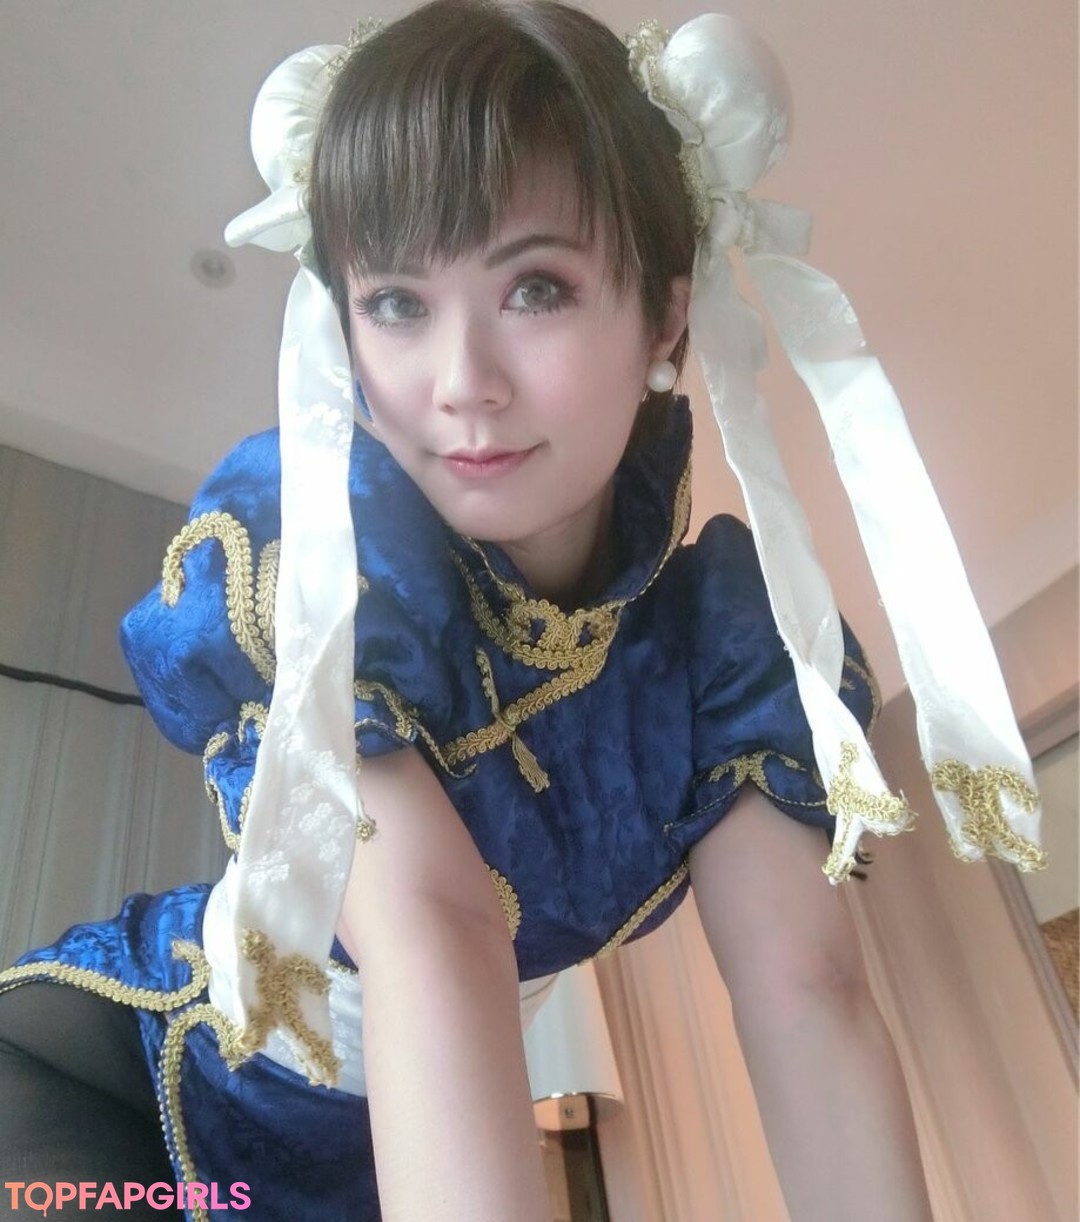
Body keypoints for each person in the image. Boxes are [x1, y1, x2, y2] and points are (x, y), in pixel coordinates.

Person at [0, 2, 1045, 1219]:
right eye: (397, 302)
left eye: (536, 287)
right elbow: (432, 931)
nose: (462, 383)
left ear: (663, 315)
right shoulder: (334, 556)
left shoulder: (730, 645)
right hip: (119, 1090)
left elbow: (808, 996)